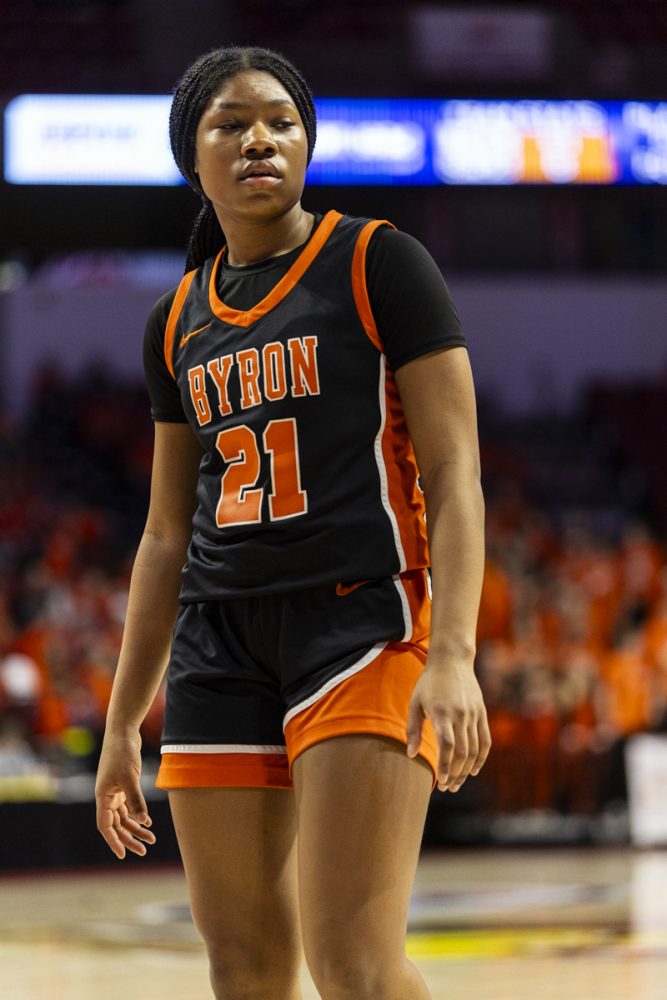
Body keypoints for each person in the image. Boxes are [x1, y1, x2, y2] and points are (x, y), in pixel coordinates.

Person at [95, 45, 491, 1000]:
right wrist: (120, 726)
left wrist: (452, 655)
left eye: (280, 121)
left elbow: (454, 474)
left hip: (359, 623)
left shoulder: (378, 261)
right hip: (217, 643)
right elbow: (164, 535)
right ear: (191, 157)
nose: (260, 139)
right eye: (230, 124)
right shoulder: (175, 320)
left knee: (352, 965)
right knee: (244, 968)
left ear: (308, 145)